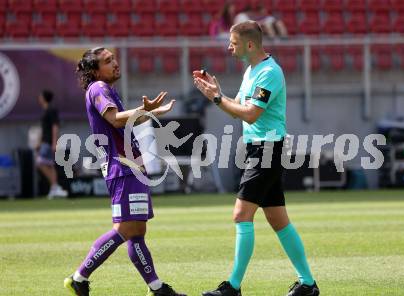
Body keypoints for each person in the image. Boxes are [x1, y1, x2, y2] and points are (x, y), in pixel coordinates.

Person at [193, 21, 319, 296]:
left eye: (233, 43)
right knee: (278, 220)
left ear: (250, 44)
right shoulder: (251, 70)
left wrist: (217, 99)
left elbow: (250, 114)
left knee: (241, 214)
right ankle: (308, 284)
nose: (229, 47)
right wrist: (217, 93)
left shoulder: (270, 72)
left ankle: (233, 287)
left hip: (267, 150)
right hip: (258, 149)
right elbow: (236, 109)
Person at [64, 47, 186, 296]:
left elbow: (123, 120)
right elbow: (115, 119)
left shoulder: (108, 90)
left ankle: (156, 287)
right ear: (95, 70)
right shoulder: (98, 89)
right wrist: (145, 112)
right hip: (123, 168)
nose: (115, 64)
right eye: (108, 61)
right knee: (126, 229)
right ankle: (79, 277)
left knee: (137, 231)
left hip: (131, 167)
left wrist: (148, 114)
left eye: (114, 59)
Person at [36, 89, 68, 199]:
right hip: (45, 141)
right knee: (49, 164)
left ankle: (55, 187)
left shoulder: (51, 110)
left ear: (44, 98)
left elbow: (55, 126)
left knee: (40, 163)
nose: (39, 98)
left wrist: (55, 142)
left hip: (49, 142)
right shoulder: (45, 110)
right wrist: (39, 142)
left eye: (40, 96)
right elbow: (44, 129)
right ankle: (55, 188)